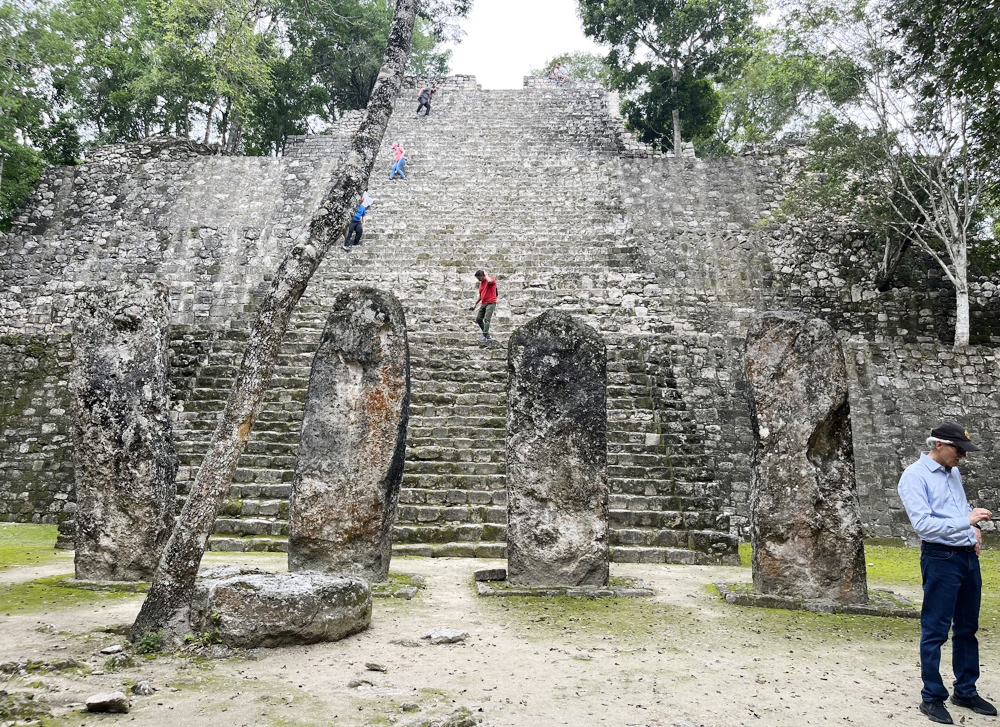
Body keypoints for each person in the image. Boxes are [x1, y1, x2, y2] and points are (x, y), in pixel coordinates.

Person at [897, 422, 996, 724]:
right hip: (940, 558)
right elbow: (924, 526)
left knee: (967, 628)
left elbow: (959, 508)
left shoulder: (953, 472)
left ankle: (965, 690)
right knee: (936, 629)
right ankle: (932, 697)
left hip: (967, 557)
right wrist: (967, 521)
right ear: (938, 443)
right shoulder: (913, 477)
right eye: (959, 449)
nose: (963, 456)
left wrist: (974, 530)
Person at [468, 269, 497, 341]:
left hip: (491, 302)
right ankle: (487, 334)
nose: (478, 279)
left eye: (479, 278)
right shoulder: (481, 284)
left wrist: (486, 274)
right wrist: (475, 304)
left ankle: (484, 335)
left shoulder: (491, 279)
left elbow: (490, 281)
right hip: (484, 303)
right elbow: (481, 295)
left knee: (487, 318)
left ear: (483, 276)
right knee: (478, 319)